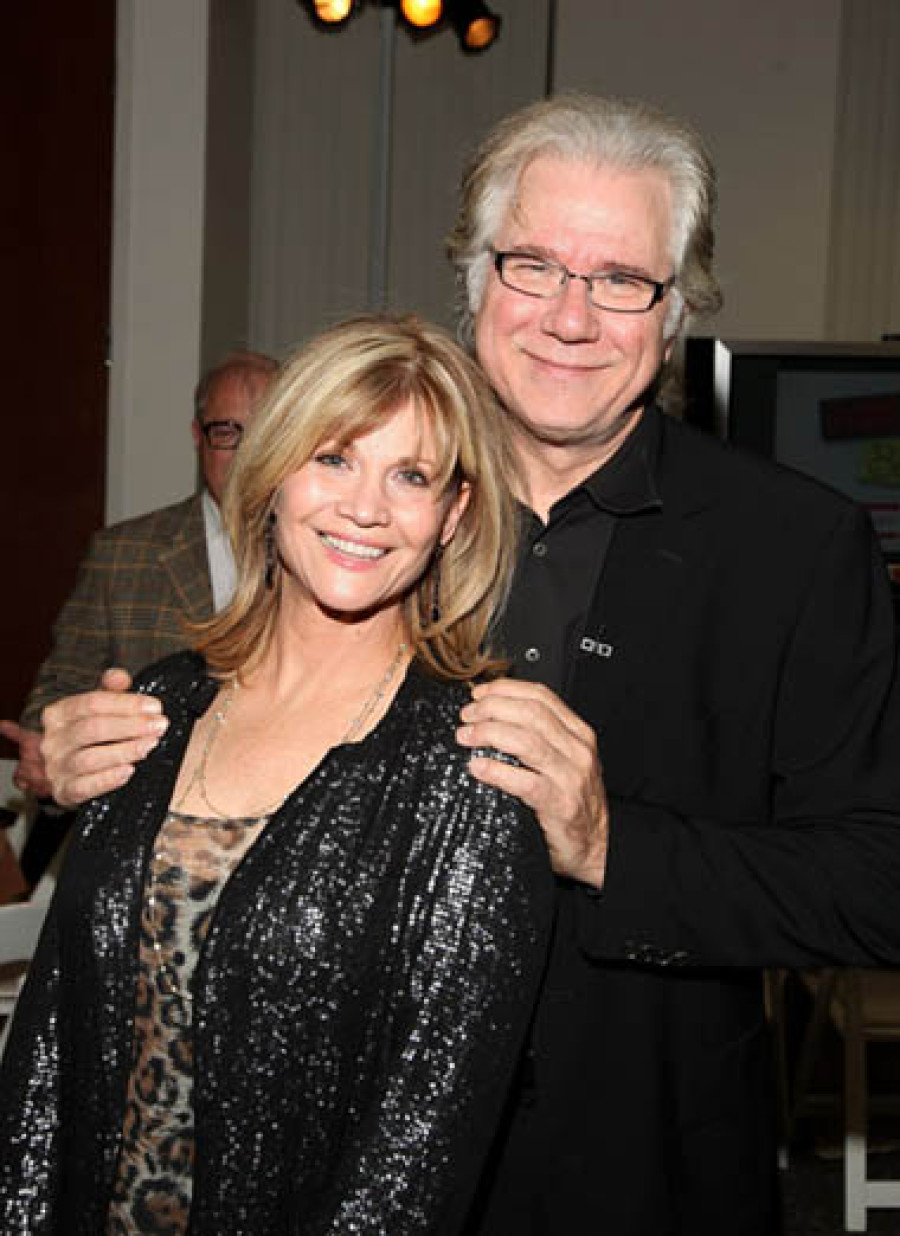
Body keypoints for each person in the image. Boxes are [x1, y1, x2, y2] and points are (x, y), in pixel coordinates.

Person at [36, 95, 900, 1236]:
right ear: (475, 279)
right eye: (532, 264)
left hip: (626, 1162)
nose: (569, 317)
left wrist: (614, 846)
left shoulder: (790, 547)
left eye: (621, 280)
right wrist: (93, 769)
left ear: (676, 311)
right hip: (319, 1157)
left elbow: (877, 883)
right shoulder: (366, 511)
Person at [0, 315, 554, 1234]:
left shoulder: (470, 771)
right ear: (273, 475)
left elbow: (414, 1158)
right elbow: (53, 1038)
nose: (366, 507)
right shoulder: (157, 707)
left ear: (453, 516)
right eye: (334, 458)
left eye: (411, 476)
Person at [0, 350, 277, 802]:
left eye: (268, 433)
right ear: (198, 437)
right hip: (148, 816)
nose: (248, 454)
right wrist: (56, 752)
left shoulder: (336, 554)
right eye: (228, 433)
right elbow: (59, 694)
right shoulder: (123, 555)